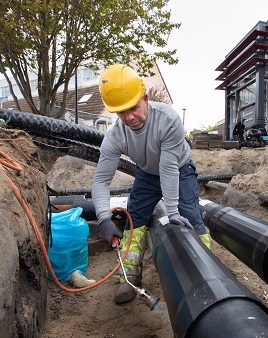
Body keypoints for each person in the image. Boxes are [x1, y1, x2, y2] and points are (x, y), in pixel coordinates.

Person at [91, 64, 212, 304]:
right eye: (121, 112)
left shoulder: (168, 120)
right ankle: (130, 279)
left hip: (179, 168)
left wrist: (174, 211)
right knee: (134, 218)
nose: (129, 118)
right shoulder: (115, 135)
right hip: (146, 173)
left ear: (145, 99)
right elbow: (101, 180)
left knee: (190, 215)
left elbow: (168, 168)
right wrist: (104, 218)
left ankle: (208, 275)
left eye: (134, 108)